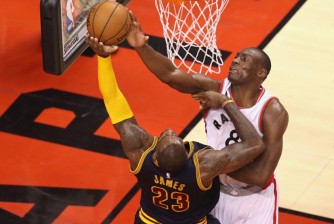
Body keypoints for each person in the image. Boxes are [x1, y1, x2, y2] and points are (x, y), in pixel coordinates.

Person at [125, 11, 289, 224]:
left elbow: (261, 175)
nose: (236, 61)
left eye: (244, 59)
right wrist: (141, 47)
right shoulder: (214, 87)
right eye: (237, 56)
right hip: (214, 192)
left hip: (253, 200)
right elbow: (170, 75)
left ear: (261, 73)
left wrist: (204, 166)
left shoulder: (272, 111)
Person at [85, 35, 265, 224]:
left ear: (154, 154)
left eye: (166, 135)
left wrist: (103, 59)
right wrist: (226, 102)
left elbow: (113, 100)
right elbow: (255, 144)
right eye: (174, 136)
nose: (170, 130)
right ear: (189, 156)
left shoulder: (140, 154)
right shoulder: (204, 166)